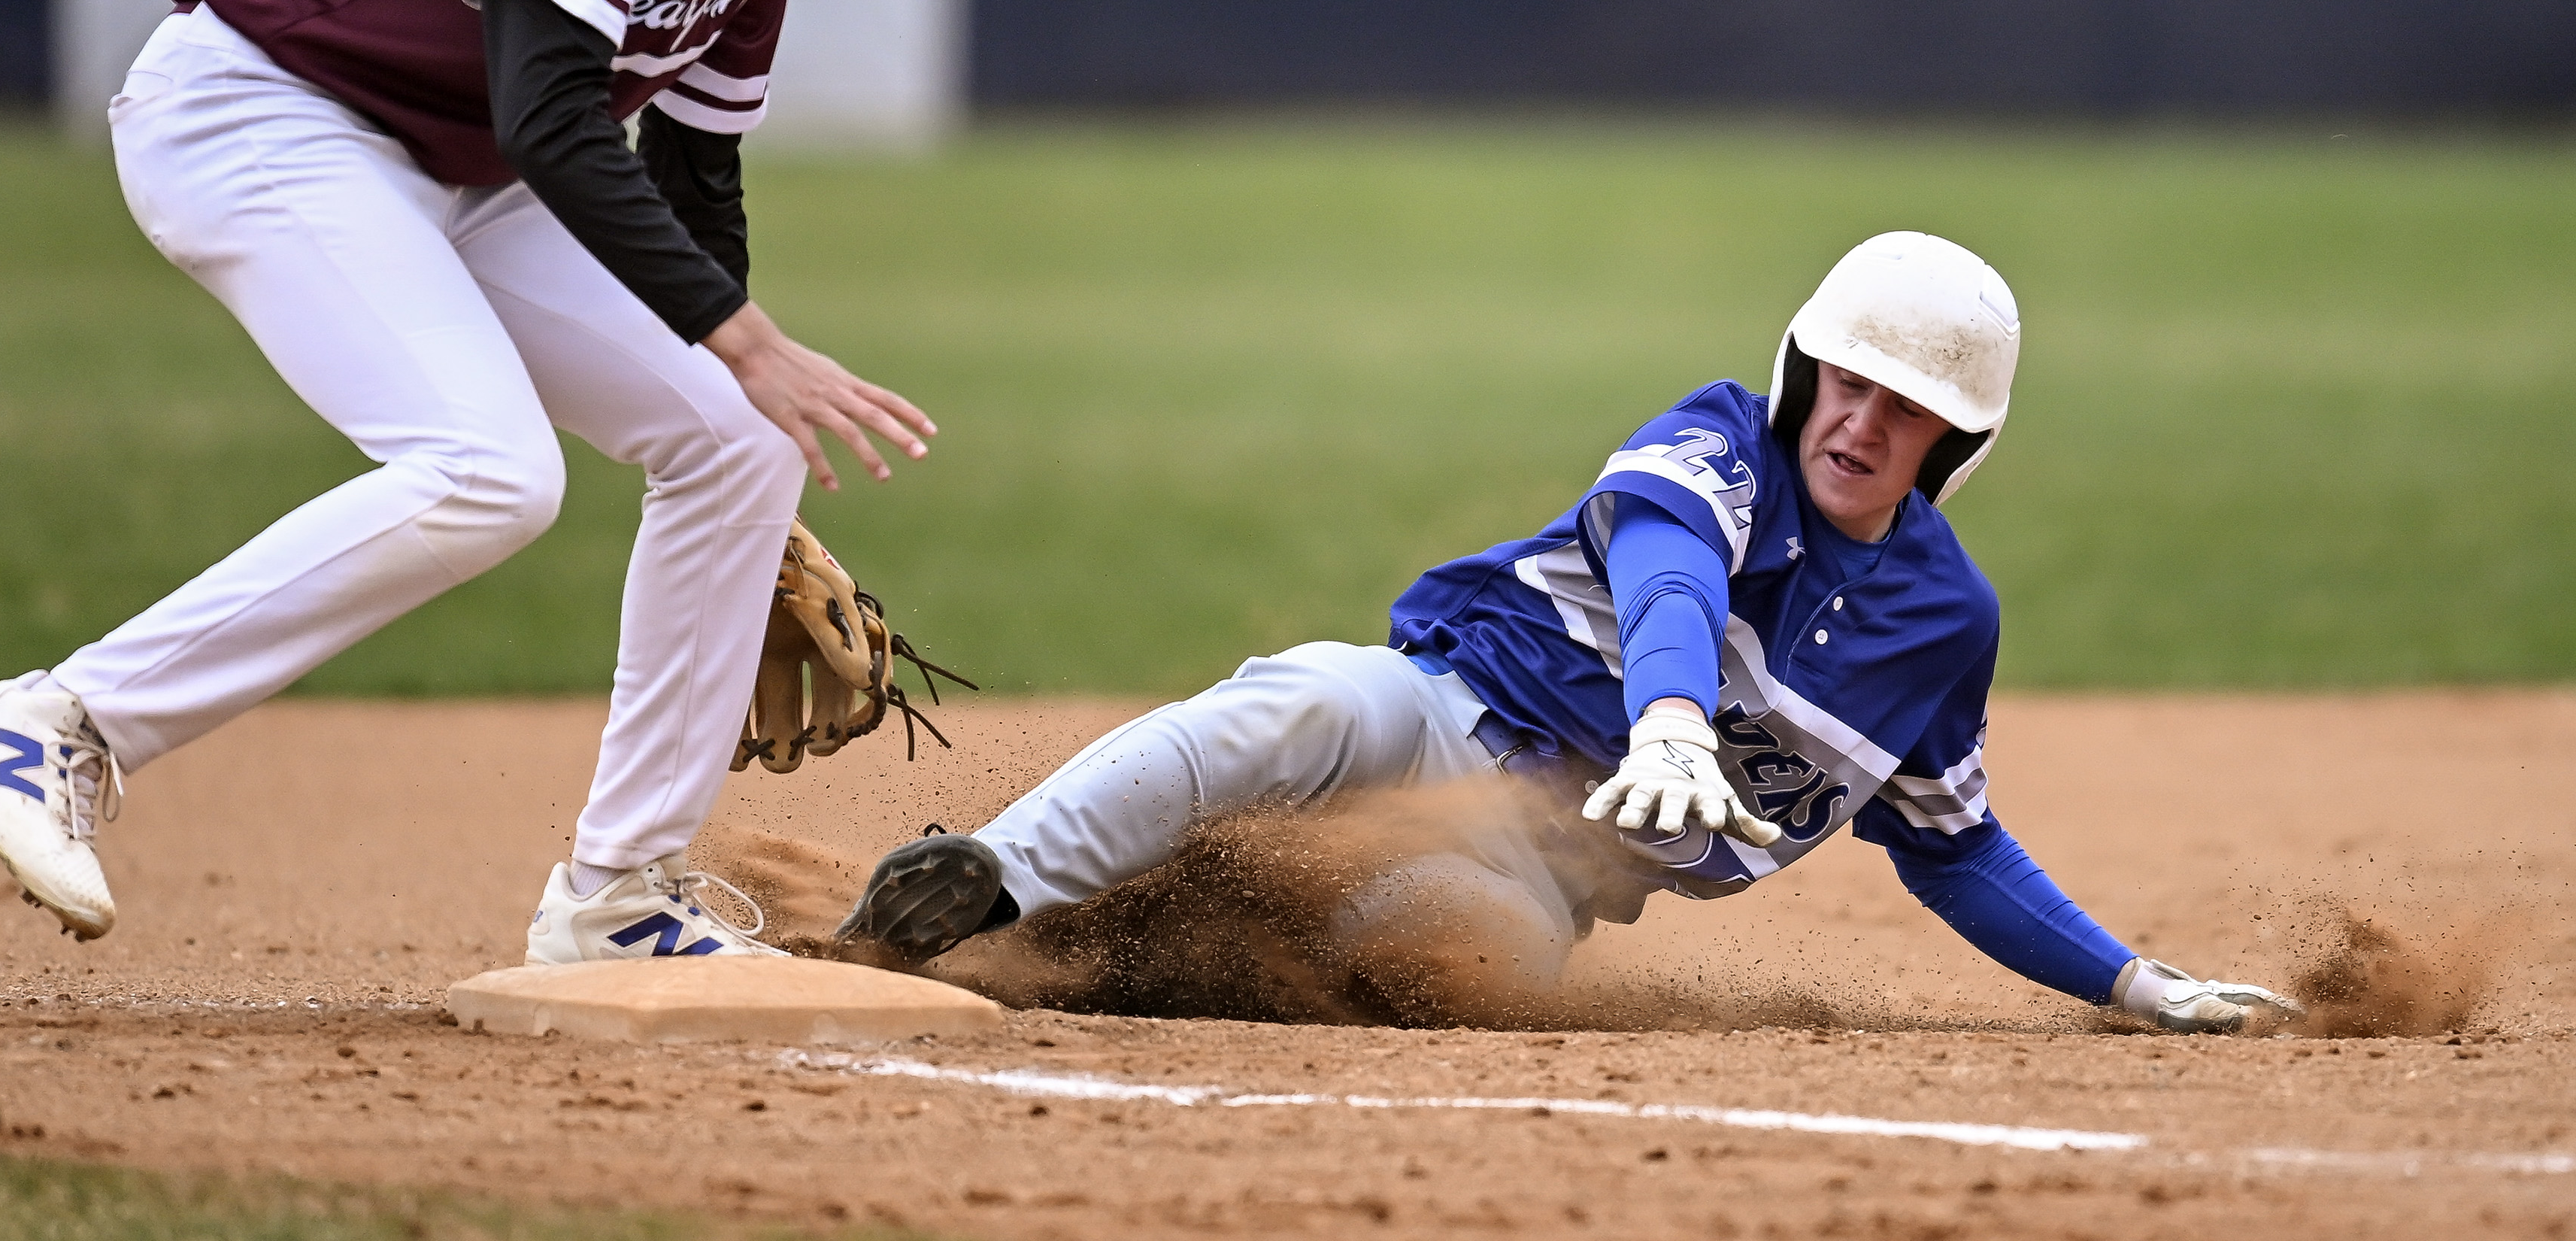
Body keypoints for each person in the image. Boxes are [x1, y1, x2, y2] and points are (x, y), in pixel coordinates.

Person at [0, 0, 953, 965]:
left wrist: (733, 442)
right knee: (487, 473)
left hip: (451, 164)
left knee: (741, 446)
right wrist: (745, 339)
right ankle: (63, 720)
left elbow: (692, 166)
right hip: (263, 111)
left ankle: (617, 898)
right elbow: (553, 116)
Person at [837, 233, 2300, 1035]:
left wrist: (2128, 980)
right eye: (1847, 381)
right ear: (1803, 373)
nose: (1862, 421)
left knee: (1449, 961)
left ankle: (1133, 950)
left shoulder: (1941, 624)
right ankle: (991, 878)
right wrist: (1669, 716)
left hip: (1539, 868)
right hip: (1438, 717)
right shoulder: (1723, 442)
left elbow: (1955, 846)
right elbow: (1669, 572)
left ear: (1956, 443)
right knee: (1303, 702)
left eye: (1906, 407)